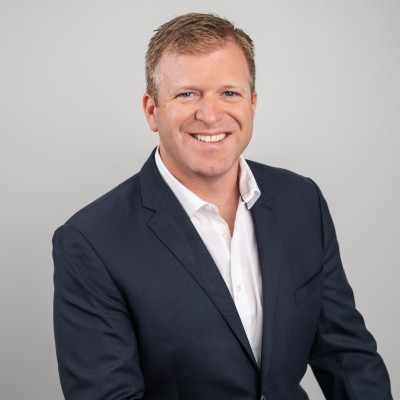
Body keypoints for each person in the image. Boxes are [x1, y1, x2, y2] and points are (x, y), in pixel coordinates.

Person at [52, 12, 392, 400]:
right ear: (152, 110)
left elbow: (348, 358)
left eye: (229, 93)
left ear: (252, 103)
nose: (210, 115)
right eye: (187, 94)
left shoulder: (302, 202)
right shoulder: (91, 243)